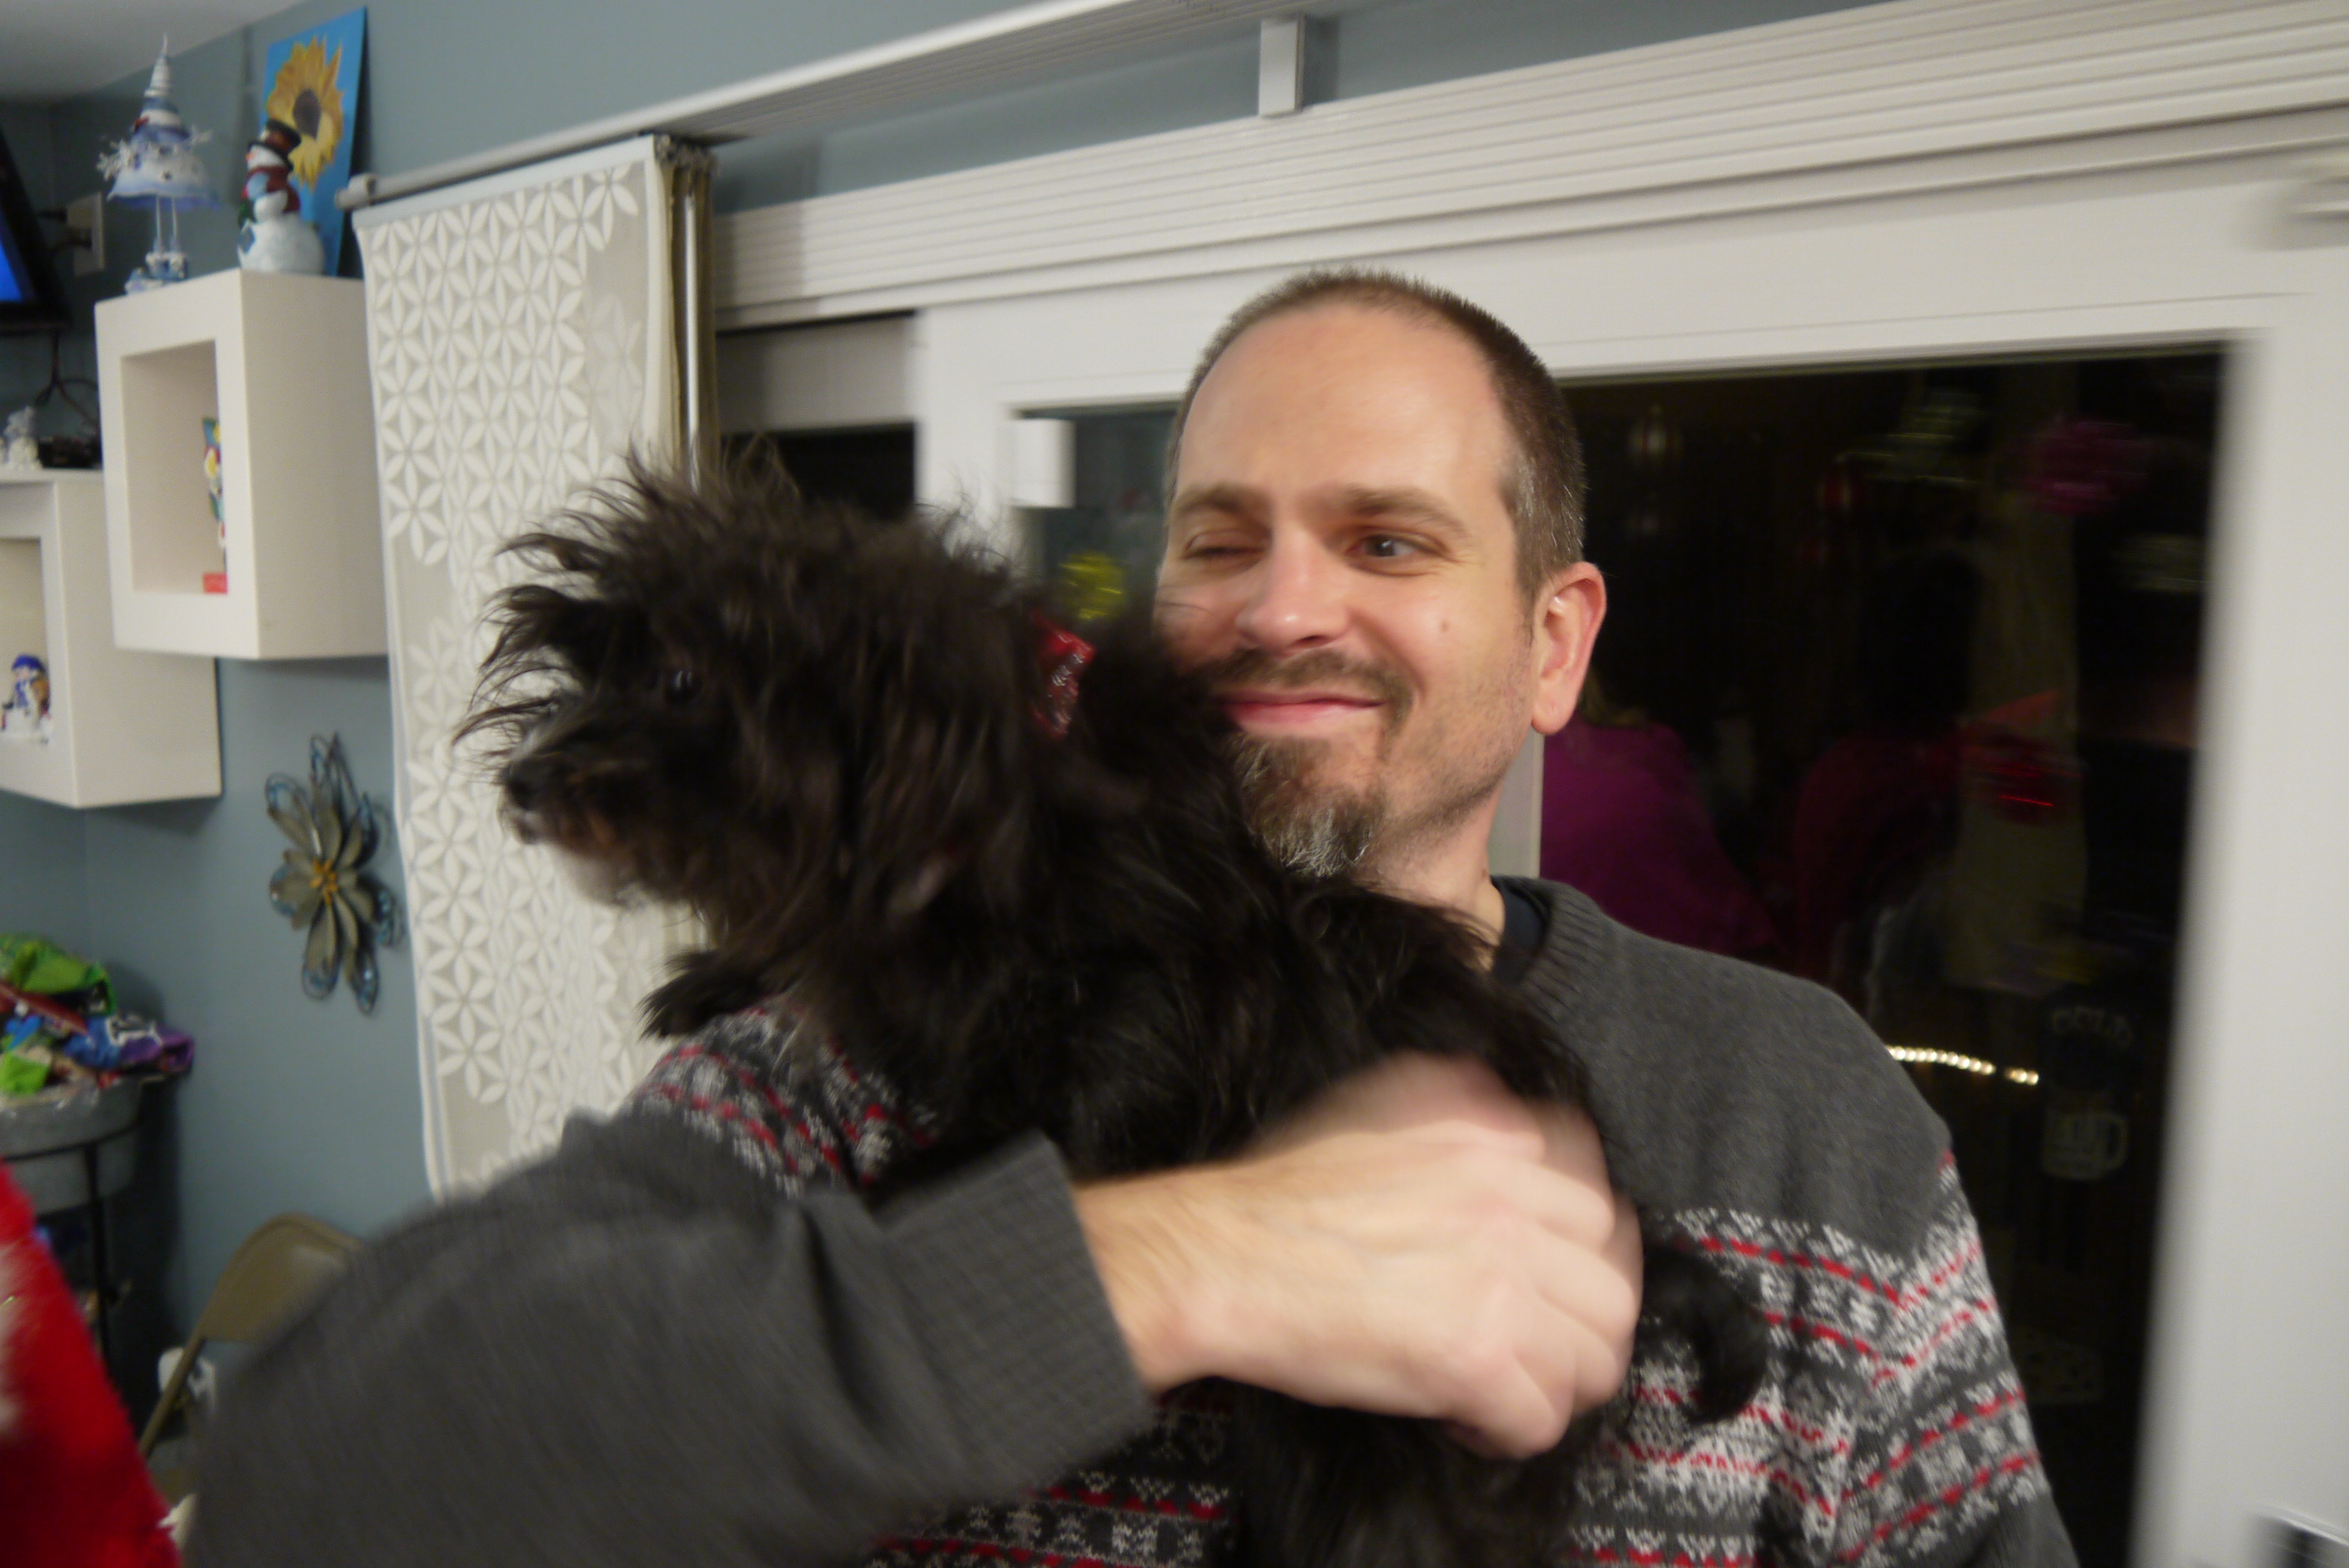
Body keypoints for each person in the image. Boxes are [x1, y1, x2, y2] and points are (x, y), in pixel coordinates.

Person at [188, 271, 2073, 1566]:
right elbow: (316, 1477)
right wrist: (1183, 1263)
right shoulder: (851, 1071)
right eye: (1219, 539)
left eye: (1389, 540)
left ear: (1553, 640)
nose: (1283, 606)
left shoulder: (1808, 1116)